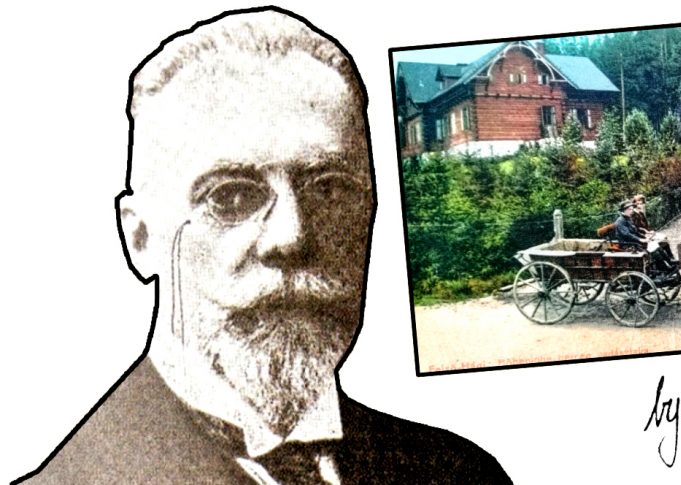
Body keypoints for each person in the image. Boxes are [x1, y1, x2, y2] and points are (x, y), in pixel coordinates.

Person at [19, 8, 509, 484]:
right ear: (141, 238)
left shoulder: (460, 473)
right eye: (230, 197)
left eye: (329, 189)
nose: (291, 236)